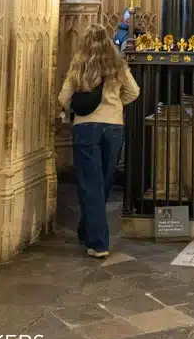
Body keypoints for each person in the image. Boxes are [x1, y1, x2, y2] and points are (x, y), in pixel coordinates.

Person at [59, 23, 140, 258]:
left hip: (86, 127)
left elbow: (63, 97)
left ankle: (97, 241)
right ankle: (90, 232)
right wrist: (115, 105)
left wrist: (75, 110)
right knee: (102, 182)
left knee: (90, 184)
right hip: (113, 127)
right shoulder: (118, 64)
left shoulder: (80, 65)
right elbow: (134, 91)